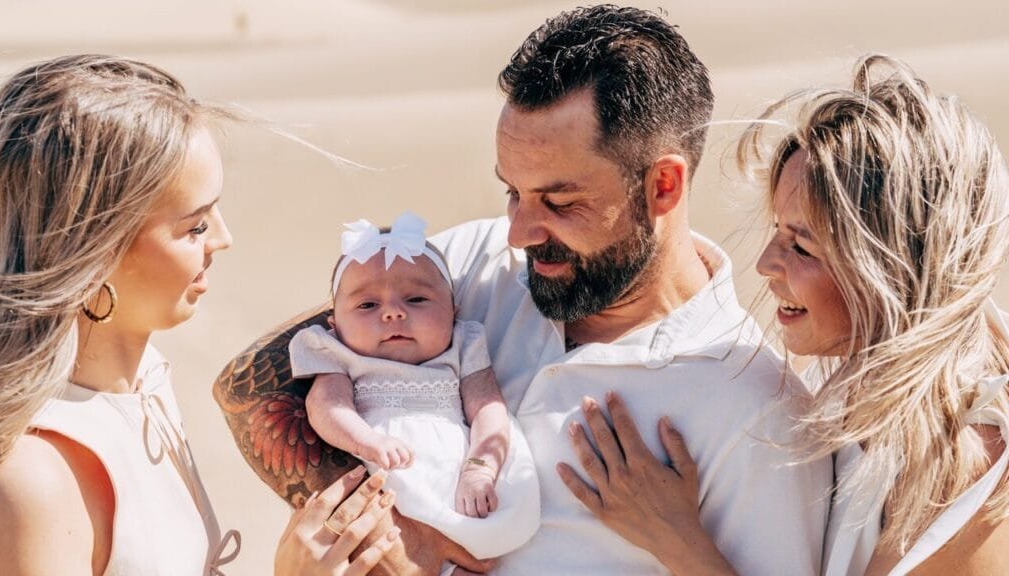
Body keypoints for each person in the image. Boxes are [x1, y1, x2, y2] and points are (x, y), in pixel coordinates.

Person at [214, 5, 832, 575]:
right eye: (512, 191)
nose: (518, 231)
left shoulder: (761, 415)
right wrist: (392, 534)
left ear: (663, 187)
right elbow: (252, 384)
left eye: (559, 202)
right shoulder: (468, 262)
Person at [587, 55, 1009, 575]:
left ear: (890, 265)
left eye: (802, 247)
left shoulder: (960, 459)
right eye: (777, 230)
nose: (765, 264)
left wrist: (677, 541)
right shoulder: (863, 371)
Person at [0, 54, 399, 576]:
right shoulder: (29, 480)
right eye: (196, 226)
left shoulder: (143, 384)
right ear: (94, 248)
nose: (224, 239)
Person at [289, 212, 540, 566]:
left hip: (459, 476)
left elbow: (488, 407)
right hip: (386, 471)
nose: (392, 313)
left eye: (417, 300)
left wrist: (481, 465)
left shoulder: (463, 344)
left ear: (452, 311)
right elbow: (326, 405)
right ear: (334, 324)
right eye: (367, 305)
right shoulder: (336, 353)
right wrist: (366, 441)